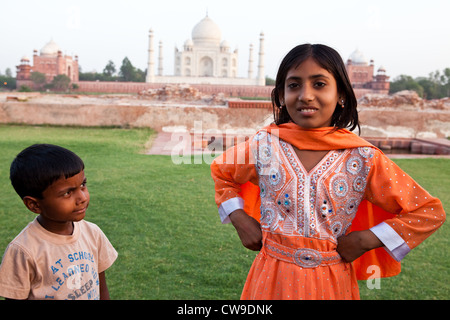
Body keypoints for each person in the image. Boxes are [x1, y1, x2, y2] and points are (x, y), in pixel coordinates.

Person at [210, 44, 446, 300]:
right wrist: (239, 218)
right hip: (270, 279)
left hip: (331, 283)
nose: (306, 96)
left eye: (319, 84)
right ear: (281, 94)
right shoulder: (264, 146)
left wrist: (367, 239)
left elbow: (428, 212)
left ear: (341, 94)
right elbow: (223, 173)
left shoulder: (363, 157)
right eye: (294, 85)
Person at [0, 144, 118, 300]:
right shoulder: (23, 251)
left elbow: (101, 287)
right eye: (68, 193)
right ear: (34, 205)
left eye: (83, 185)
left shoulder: (92, 233)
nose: (82, 198)